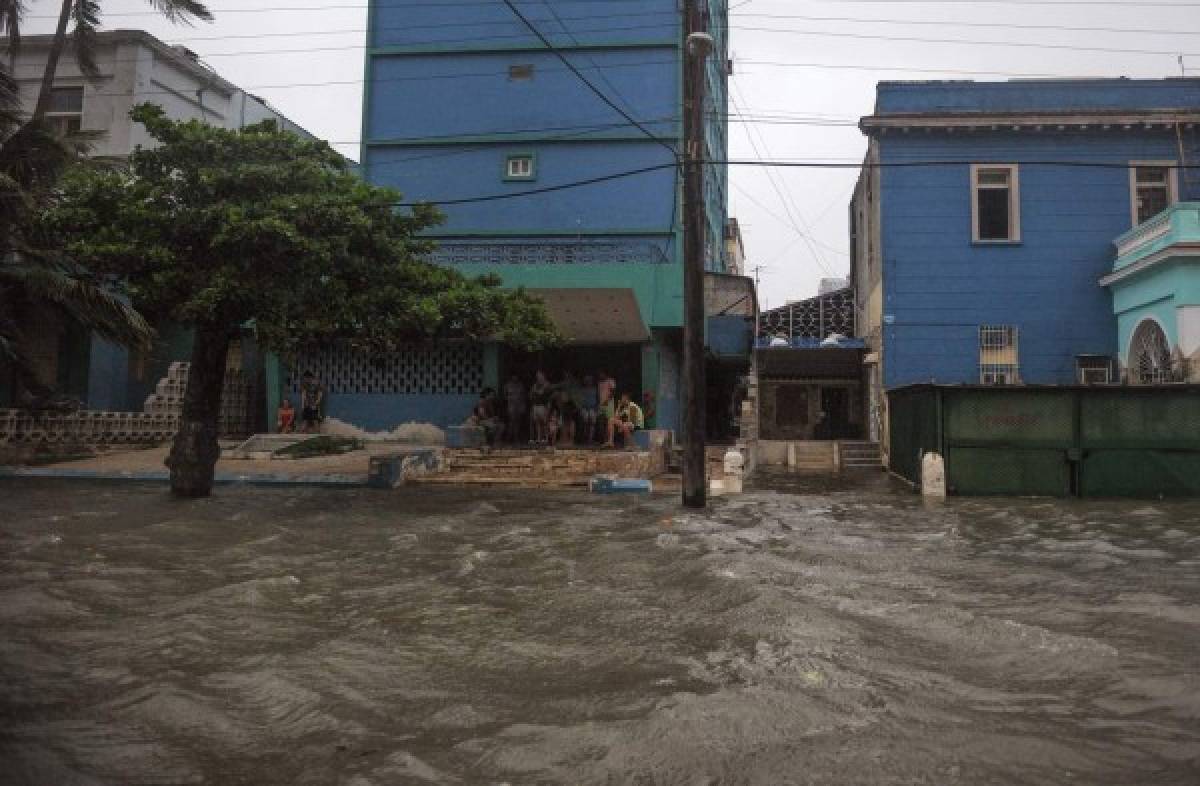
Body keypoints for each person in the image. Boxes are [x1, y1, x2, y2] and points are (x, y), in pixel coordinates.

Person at [529, 370, 552, 445]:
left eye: (539, 375)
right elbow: (531, 395)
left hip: (543, 406)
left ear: (543, 375)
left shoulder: (547, 384)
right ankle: (539, 438)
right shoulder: (535, 385)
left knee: (545, 423)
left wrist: (548, 407)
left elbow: (547, 396)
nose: (538, 377)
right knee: (537, 423)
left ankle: (546, 438)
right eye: (537, 376)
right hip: (536, 405)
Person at [503, 374, 526, 444]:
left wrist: (523, 406)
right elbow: (504, 396)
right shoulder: (507, 385)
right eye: (513, 376)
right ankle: (509, 438)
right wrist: (510, 398)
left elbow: (523, 397)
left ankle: (516, 438)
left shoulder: (521, 385)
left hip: (519, 406)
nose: (515, 377)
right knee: (511, 422)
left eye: (516, 376)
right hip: (511, 406)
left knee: (517, 423)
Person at [577, 374, 599, 444]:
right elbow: (579, 400)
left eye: (589, 380)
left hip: (593, 408)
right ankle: (585, 438)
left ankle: (590, 438)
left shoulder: (595, 389)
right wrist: (581, 408)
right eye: (587, 380)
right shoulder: (582, 390)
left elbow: (597, 399)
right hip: (584, 408)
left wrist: (596, 407)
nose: (588, 382)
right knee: (585, 422)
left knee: (592, 423)